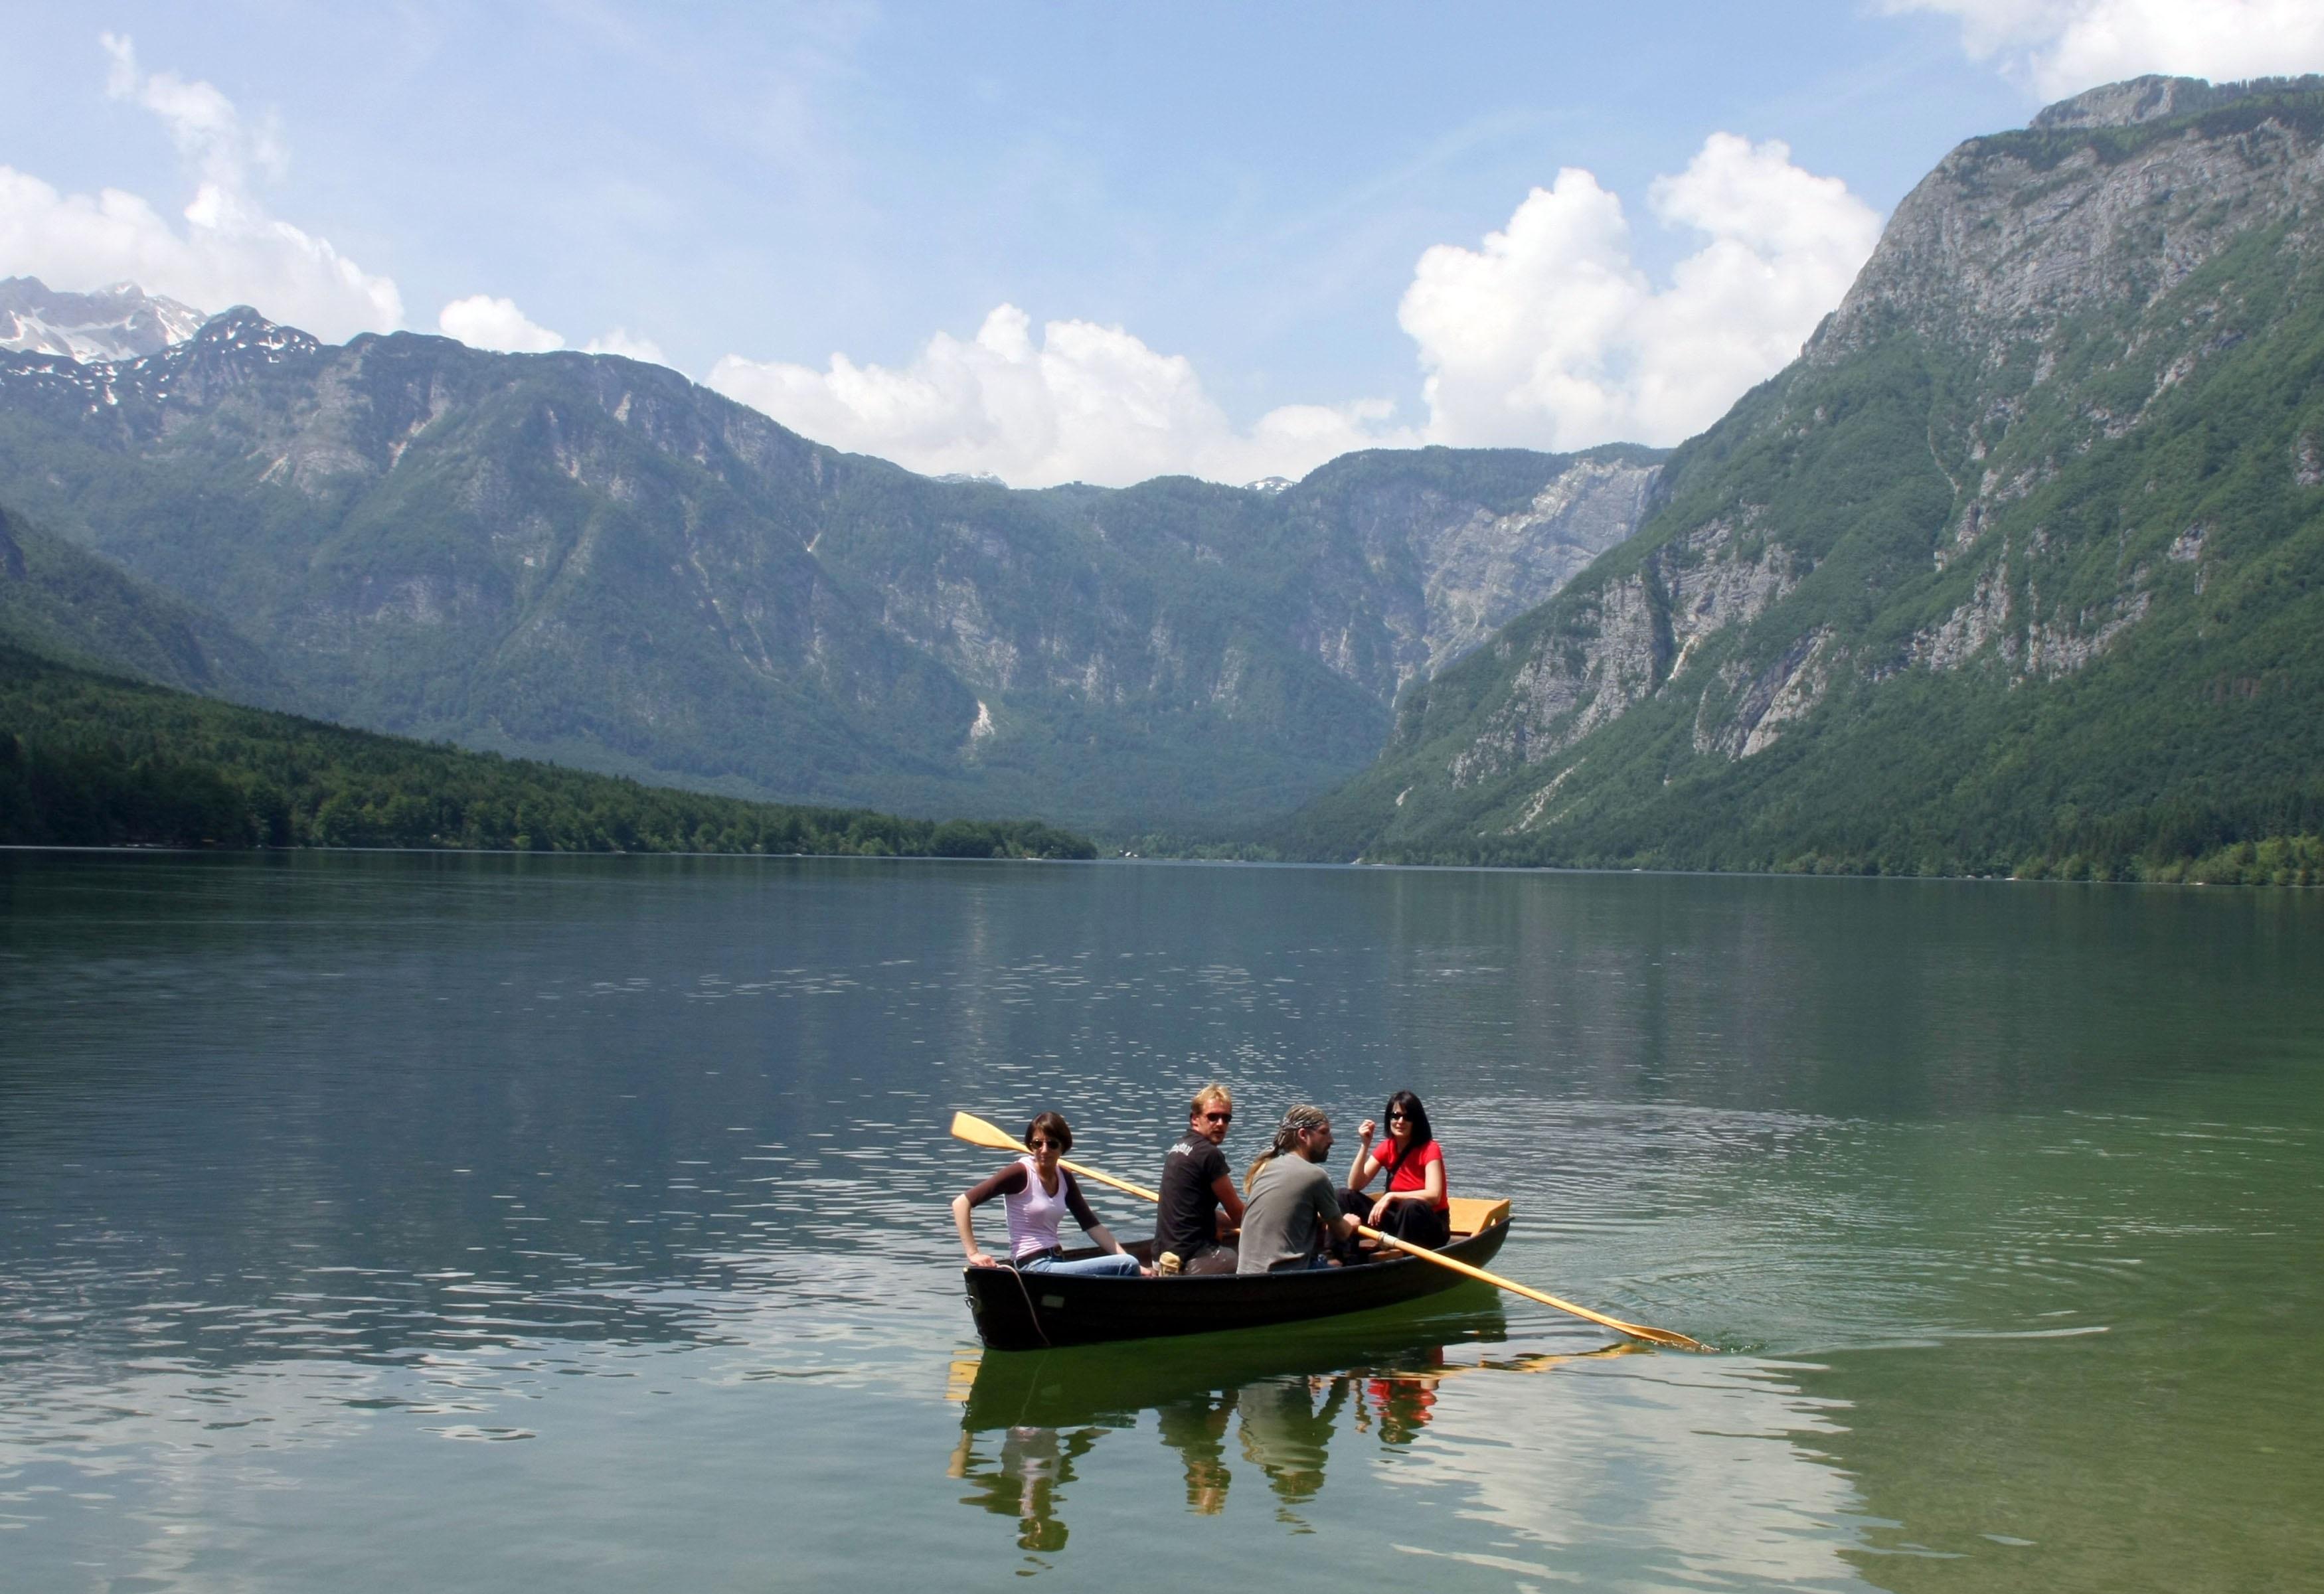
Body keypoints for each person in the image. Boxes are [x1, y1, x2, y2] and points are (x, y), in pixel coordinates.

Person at [953, 1111, 1150, 1276]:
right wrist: (974, 1253)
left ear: (1063, 1147)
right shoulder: (1020, 1173)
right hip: (1033, 1266)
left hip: (1056, 1259)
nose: (1044, 1150)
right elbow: (961, 1203)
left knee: (1129, 1263)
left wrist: (1135, 1264)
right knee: (1126, 1265)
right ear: (1031, 1145)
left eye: (1052, 1144)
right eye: (1038, 1144)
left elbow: (1093, 1226)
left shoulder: (1064, 1177)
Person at [1236, 1105, 1360, 1273]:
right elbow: (1341, 1232)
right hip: (1286, 1276)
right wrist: (1351, 1224)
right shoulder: (1315, 1176)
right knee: (1346, 1267)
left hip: (1246, 1274)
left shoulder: (1263, 1168)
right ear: (1303, 1135)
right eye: (1324, 1133)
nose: (1331, 1140)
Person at [1153, 1083, 1244, 1275]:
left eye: (1226, 1118)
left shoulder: (1179, 1147)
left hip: (1160, 1257)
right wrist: (1275, 1221)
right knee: (1240, 1258)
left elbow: (1195, 1214)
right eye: (1213, 1117)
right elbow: (1240, 1216)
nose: (1220, 1123)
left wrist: (1221, 1222)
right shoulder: (1209, 1155)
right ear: (1195, 1119)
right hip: (1188, 1264)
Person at [1343, 1089, 1452, 1250]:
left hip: (1428, 1227)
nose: (1400, 1121)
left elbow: (1434, 1196)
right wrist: (1364, 1145)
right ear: (1389, 1119)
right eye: (1395, 1116)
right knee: (1344, 1196)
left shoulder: (1430, 1149)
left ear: (1417, 1121)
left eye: (1407, 1117)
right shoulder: (1387, 1147)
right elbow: (1355, 1185)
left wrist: (1391, 1196)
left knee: (1411, 1206)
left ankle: (1399, 1258)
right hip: (1396, 1223)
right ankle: (1342, 1253)